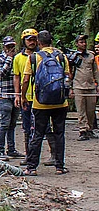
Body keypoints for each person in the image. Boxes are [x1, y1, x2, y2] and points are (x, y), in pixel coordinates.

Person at [22, 30, 70, 176]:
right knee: (59, 133)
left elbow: (25, 80)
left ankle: (31, 168)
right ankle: (59, 166)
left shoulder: (33, 58)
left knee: (37, 134)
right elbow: (68, 77)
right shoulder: (61, 56)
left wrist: (23, 96)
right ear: (51, 41)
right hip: (60, 103)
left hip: (40, 103)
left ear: (39, 42)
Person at [14, 28, 56, 165]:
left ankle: (54, 155)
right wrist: (18, 95)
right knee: (27, 128)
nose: (31, 42)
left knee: (47, 128)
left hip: (43, 97)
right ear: (24, 41)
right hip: (27, 97)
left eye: (33, 39)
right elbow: (17, 77)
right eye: (29, 40)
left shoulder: (42, 56)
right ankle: (29, 155)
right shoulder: (18, 58)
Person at [0, 36, 23, 160]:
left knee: (13, 124)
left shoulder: (18, 58)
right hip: (4, 95)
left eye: (12, 46)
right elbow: (1, 73)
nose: (11, 48)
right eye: (8, 46)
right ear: (4, 47)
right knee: (4, 124)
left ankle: (11, 149)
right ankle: (0, 150)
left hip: (15, 94)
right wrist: (9, 59)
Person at [71, 34, 99, 140]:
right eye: (81, 42)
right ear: (77, 44)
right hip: (78, 86)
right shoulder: (73, 56)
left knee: (91, 110)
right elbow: (70, 72)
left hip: (91, 86)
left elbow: (95, 71)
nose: (84, 44)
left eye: (84, 42)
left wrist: (97, 83)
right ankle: (82, 130)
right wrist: (69, 87)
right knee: (81, 110)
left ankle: (90, 129)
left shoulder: (91, 55)